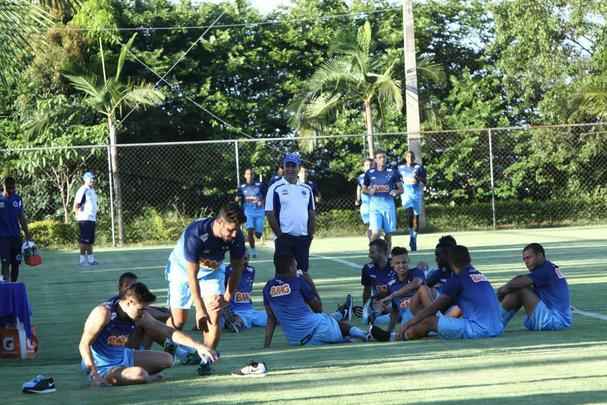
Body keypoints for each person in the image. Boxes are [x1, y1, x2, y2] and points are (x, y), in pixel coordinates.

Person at [79, 282, 217, 386]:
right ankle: (129, 376)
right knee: (140, 374)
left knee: (168, 359)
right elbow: (84, 344)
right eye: (141, 309)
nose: (144, 312)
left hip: (124, 357)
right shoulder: (103, 313)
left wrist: (199, 346)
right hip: (102, 365)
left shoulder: (139, 314)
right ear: (129, 302)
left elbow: (168, 331)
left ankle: (127, 373)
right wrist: (94, 373)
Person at [164, 203, 246, 375]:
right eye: (231, 230)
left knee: (213, 315)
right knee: (179, 321)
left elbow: (237, 267)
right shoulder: (197, 233)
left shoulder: (236, 236)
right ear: (219, 222)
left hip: (212, 272)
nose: (235, 234)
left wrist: (227, 297)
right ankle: (168, 340)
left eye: (237, 229)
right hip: (182, 269)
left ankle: (205, 360)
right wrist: (199, 309)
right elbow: (191, 275)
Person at [395, 245, 503, 341]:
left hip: (479, 329)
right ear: (469, 259)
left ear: (450, 262)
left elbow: (433, 308)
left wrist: (408, 323)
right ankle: (407, 332)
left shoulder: (457, 279)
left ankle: (402, 335)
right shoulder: (479, 275)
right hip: (497, 327)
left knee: (429, 321)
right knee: (428, 318)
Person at [263, 253, 368, 347]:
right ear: (290, 268)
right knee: (341, 325)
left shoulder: (267, 287)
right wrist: (310, 282)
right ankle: (364, 334)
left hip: (296, 341)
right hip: (318, 330)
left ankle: (342, 314)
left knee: (328, 321)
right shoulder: (298, 281)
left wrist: (266, 345)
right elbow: (318, 308)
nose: (297, 268)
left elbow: (271, 319)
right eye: (295, 266)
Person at [498, 243, 572, 331]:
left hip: (556, 321)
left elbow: (520, 282)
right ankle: (495, 322)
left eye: (529, 258)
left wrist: (502, 290)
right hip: (553, 318)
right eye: (524, 259)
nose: (526, 262)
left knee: (520, 289)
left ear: (540, 255)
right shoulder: (547, 268)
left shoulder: (546, 270)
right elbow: (519, 281)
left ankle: (494, 322)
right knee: (518, 288)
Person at [265, 152, 315, 282]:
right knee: (282, 273)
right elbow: (270, 213)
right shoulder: (275, 188)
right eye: (288, 166)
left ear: (299, 168)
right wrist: (280, 235)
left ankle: (305, 301)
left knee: (302, 272)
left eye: (294, 166)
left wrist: (310, 235)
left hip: (303, 238)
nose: (290, 169)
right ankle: (281, 301)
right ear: (283, 167)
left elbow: (311, 213)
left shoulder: (307, 189)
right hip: (284, 238)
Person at [363, 150, 403, 252]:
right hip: (375, 205)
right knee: (375, 232)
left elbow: (401, 189)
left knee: (388, 235)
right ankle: (371, 252)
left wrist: (396, 191)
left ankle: (388, 256)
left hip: (388, 205)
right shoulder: (370, 173)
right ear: (375, 160)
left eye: (384, 157)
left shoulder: (392, 172)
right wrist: (369, 191)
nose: (382, 159)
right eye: (380, 157)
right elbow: (364, 189)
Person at [379, 247, 425, 334]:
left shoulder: (416, 272)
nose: (401, 265)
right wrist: (389, 331)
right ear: (392, 264)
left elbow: (417, 282)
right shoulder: (390, 283)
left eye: (404, 262)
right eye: (397, 263)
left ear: (408, 261)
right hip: (407, 319)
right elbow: (395, 310)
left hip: (422, 314)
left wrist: (393, 295)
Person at [222, 251, 267, 332]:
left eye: (247, 258)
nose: (245, 261)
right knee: (237, 322)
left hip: (251, 312)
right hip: (234, 311)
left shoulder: (251, 271)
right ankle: (232, 322)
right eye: (243, 259)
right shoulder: (226, 272)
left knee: (274, 316)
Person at [0, 176, 31, 282]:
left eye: (13, 188)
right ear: (3, 187)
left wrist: (27, 234)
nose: (11, 191)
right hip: (3, 238)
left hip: (16, 237)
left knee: (16, 264)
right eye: (8, 188)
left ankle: (14, 285)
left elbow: (21, 217)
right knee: (5, 263)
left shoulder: (18, 199)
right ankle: (6, 286)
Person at [360, 238, 397, 325]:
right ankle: (376, 315)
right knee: (366, 320)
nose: (369, 255)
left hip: (394, 301)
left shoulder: (396, 265)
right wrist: (365, 307)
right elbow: (367, 290)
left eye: (372, 252)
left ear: (381, 252)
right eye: (370, 252)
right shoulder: (367, 269)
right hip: (378, 302)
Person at [398, 151, 427, 251]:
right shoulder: (400, 168)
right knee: (409, 213)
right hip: (406, 193)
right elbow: (395, 178)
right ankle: (411, 235)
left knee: (416, 217)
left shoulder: (419, 167)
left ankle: (413, 238)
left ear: (414, 158)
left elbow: (425, 181)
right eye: (408, 156)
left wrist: (417, 178)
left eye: (412, 156)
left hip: (416, 194)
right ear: (405, 158)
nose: (410, 158)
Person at [236, 168, 266, 258]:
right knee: (250, 230)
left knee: (258, 234)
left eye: (251, 174)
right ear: (245, 176)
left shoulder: (260, 185)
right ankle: (253, 250)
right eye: (248, 174)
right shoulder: (241, 187)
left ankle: (258, 233)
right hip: (248, 211)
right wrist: (238, 199)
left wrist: (261, 201)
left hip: (259, 211)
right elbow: (237, 198)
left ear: (253, 175)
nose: (250, 176)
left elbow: (265, 196)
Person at [73, 171, 98, 266]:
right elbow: (76, 204)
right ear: (85, 179)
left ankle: (91, 260)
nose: (92, 180)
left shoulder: (92, 190)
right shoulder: (83, 189)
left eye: (93, 178)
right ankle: (82, 261)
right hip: (85, 218)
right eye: (90, 178)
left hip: (91, 218)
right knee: (84, 240)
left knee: (90, 241)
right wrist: (78, 215)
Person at [355, 158, 374, 240]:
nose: (369, 167)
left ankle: (375, 242)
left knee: (374, 225)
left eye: (370, 165)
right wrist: (358, 199)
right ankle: (372, 243)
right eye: (367, 165)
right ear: (363, 167)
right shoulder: (361, 177)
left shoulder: (378, 176)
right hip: (366, 205)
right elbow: (359, 188)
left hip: (377, 204)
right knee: (371, 225)